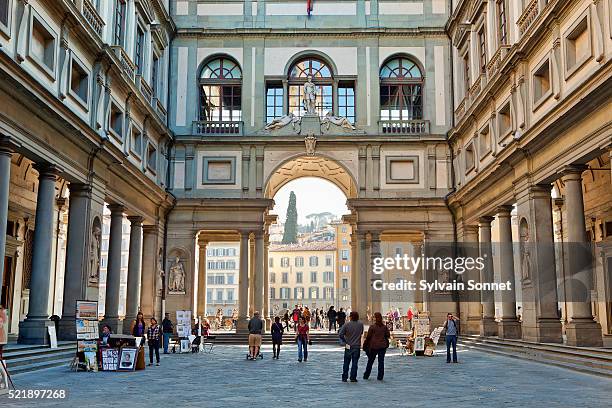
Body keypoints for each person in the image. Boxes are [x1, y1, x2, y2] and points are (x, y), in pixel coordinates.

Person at [363, 312, 390, 381]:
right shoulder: (384, 327)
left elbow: (368, 337)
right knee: (381, 361)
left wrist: (365, 344)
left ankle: (366, 375)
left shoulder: (372, 327)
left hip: (373, 346)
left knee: (370, 361)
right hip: (382, 346)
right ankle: (380, 376)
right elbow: (388, 335)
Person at [339, 311, 364, 382]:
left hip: (348, 345)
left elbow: (340, 334)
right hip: (356, 346)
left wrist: (345, 341)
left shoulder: (347, 324)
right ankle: (353, 377)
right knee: (355, 363)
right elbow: (361, 333)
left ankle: (344, 377)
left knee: (346, 362)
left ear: (351, 317)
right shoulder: (360, 324)